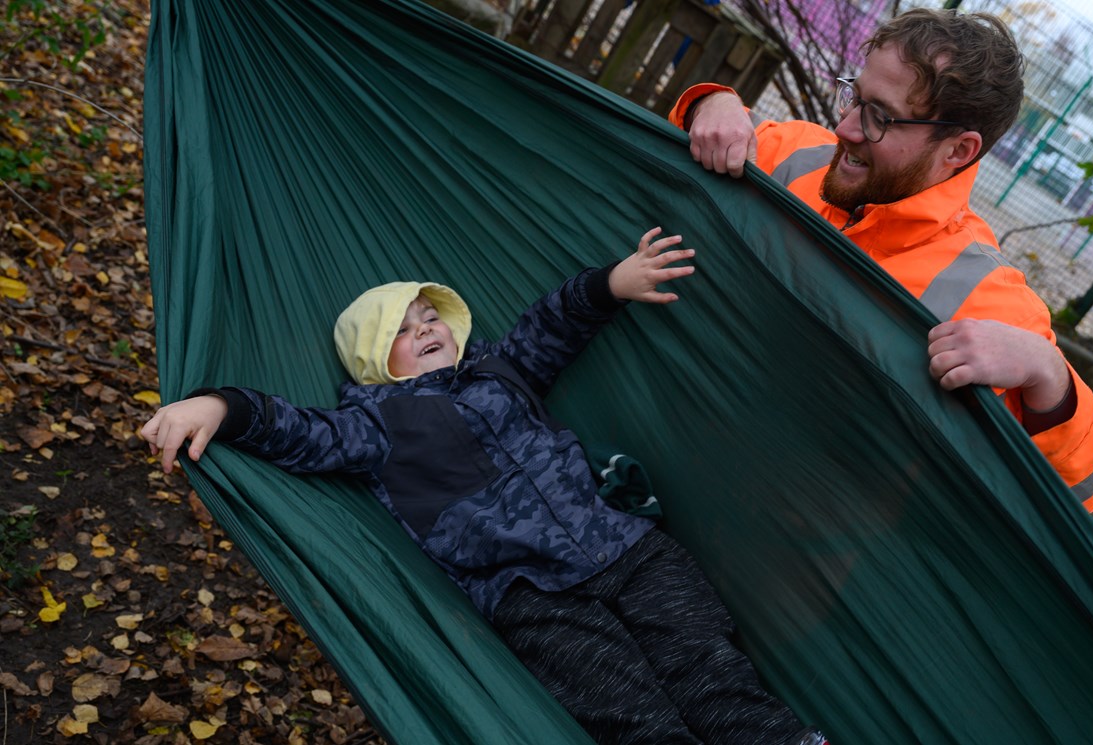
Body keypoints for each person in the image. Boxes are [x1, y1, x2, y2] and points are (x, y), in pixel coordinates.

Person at [142, 227, 826, 745]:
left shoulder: (499, 369)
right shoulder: (375, 422)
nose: (427, 329)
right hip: (533, 596)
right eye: (404, 331)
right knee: (637, 714)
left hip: (627, 551)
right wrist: (221, 406)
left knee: (712, 672)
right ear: (377, 361)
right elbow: (298, 431)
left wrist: (611, 282)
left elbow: (551, 324)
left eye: (431, 316)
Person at [669, 8, 1093, 511]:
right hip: (661, 443)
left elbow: (1081, 492)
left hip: (779, 545)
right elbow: (695, 143)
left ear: (958, 150)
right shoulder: (796, 155)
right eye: (854, 96)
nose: (845, 127)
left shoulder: (989, 300)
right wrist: (711, 102)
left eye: (879, 116)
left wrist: (1047, 373)